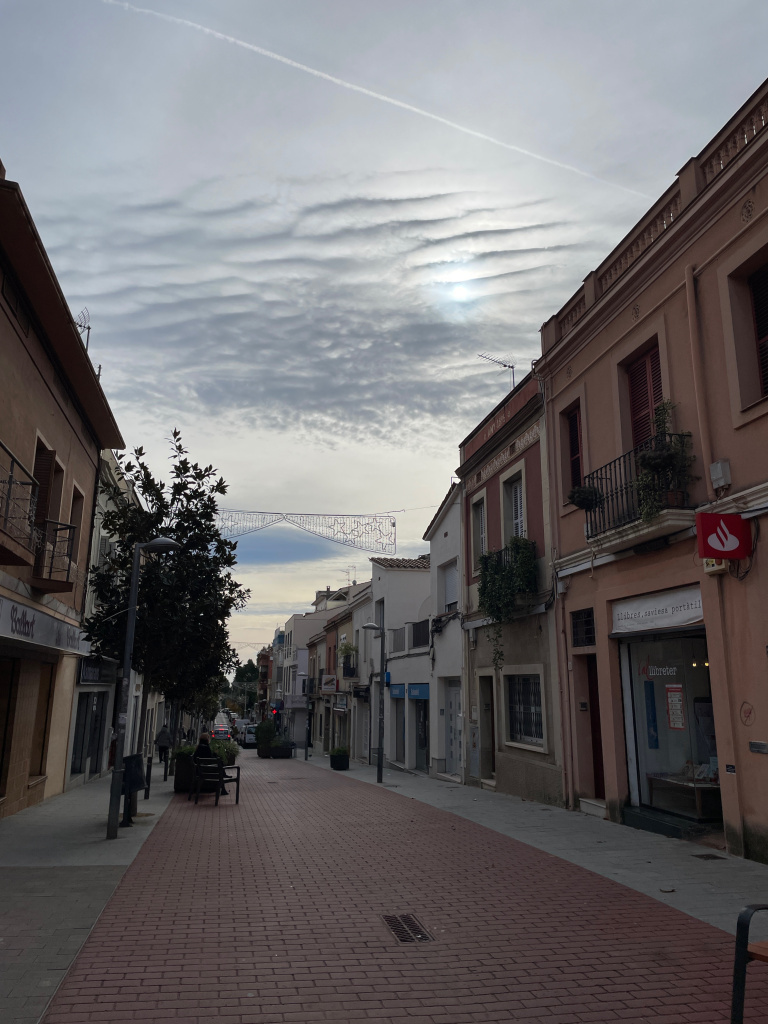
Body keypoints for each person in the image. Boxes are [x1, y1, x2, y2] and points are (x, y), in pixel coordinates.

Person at [192, 732, 229, 796]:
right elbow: (210, 759)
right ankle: (223, 787)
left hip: (199, 770)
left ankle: (223, 779)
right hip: (206, 771)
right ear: (207, 739)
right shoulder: (206, 748)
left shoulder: (198, 747)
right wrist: (215, 754)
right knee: (220, 768)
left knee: (220, 768)